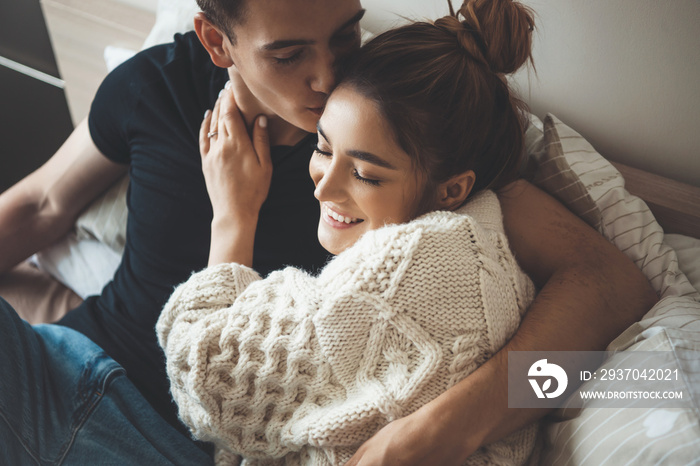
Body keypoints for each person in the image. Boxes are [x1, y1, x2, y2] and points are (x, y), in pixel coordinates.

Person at [0, 0, 656, 463]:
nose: (327, 74)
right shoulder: (158, 86)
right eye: (288, 54)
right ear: (216, 40)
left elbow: (610, 284)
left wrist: (447, 428)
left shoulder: (411, 134)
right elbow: (39, 207)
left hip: (162, 425)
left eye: (344, 35)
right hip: (69, 357)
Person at [156, 3, 543, 463]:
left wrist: (232, 217)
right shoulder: (480, 231)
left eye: (365, 173)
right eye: (322, 147)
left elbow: (202, 372)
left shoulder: (409, 265)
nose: (324, 186)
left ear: (454, 189)